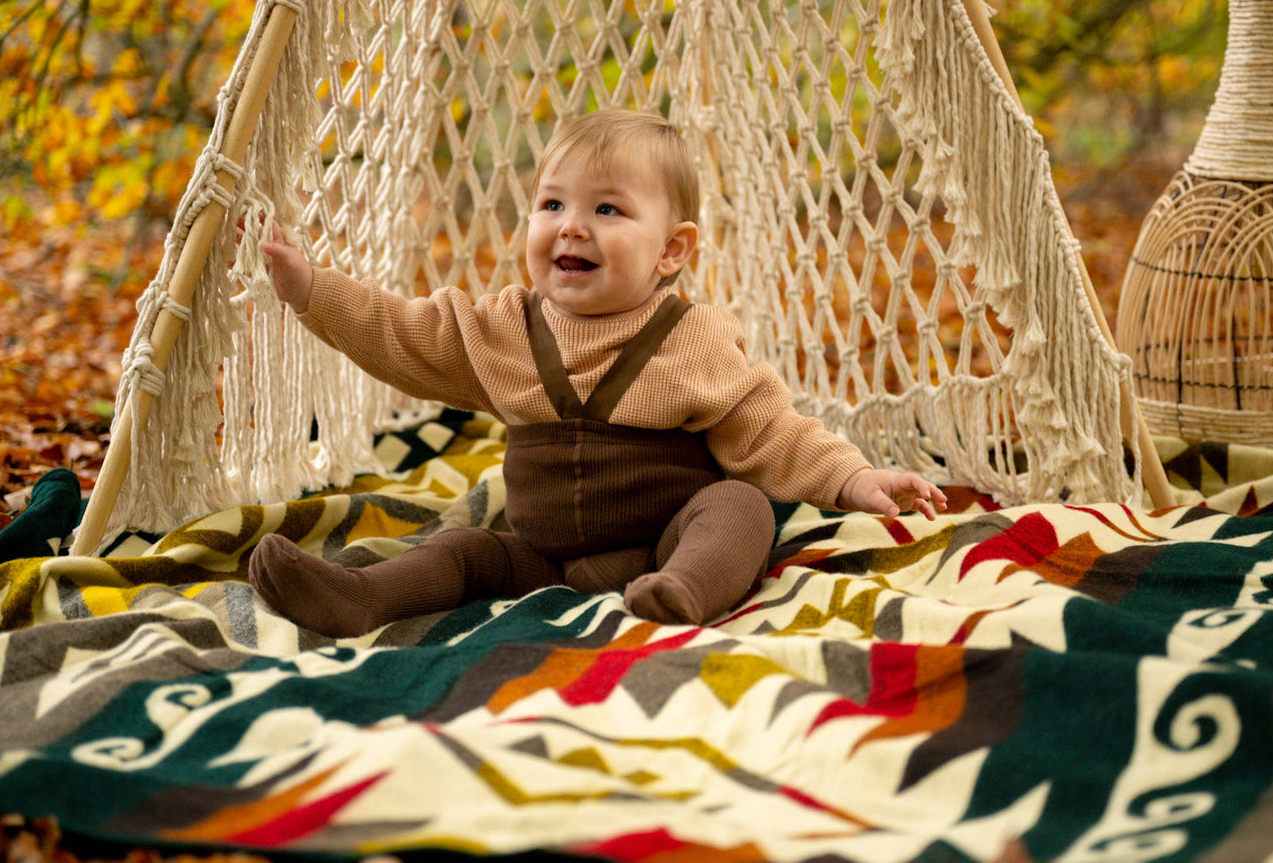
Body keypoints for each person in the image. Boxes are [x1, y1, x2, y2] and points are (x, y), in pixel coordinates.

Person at [249, 109, 947, 637]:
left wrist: (853, 477)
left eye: (606, 209)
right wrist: (311, 290)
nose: (571, 226)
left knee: (738, 509)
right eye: (552, 204)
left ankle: (683, 593)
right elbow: (400, 331)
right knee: (460, 549)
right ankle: (359, 597)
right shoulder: (499, 328)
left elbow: (768, 429)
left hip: (662, 539)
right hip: (538, 557)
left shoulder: (690, 338)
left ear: (671, 250)